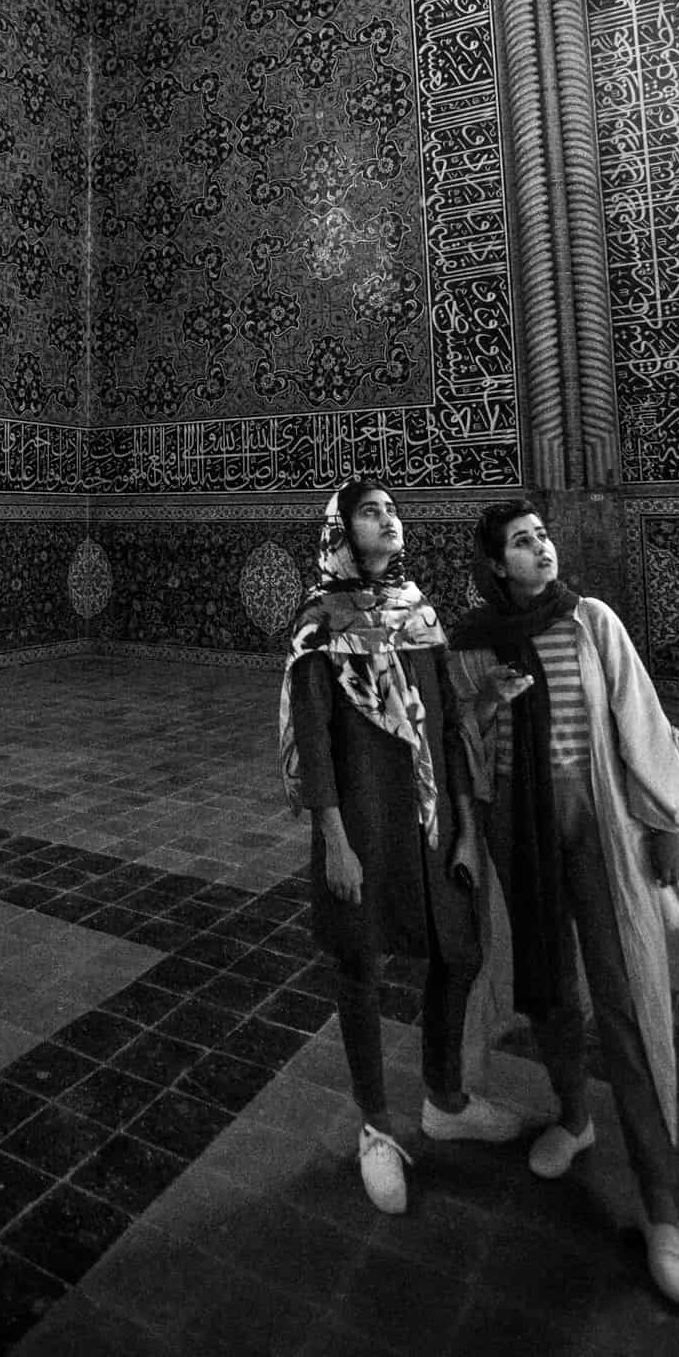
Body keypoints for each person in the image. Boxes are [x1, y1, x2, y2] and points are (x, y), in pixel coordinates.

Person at [448, 498, 679, 1308]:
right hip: (520, 845)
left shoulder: (591, 623)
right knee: (550, 992)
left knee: (628, 1005)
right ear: (497, 565)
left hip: (598, 842)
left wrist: (668, 821)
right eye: (523, 543)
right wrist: (487, 702)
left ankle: (660, 1211)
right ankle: (571, 1116)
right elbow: (459, 745)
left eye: (542, 537)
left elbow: (641, 720)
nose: (541, 549)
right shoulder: (470, 644)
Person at [279, 476, 522, 1216]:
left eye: (391, 510)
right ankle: (376, 1128)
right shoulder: (320, 622)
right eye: (370, 512)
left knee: (459, 951)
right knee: (362, 961)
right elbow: (314, 739)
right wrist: (334, 843)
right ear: (342, 532)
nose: (388, 520)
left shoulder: (418, 615)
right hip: (362, 821)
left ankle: (444, 1098)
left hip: (429, 817)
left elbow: (443, 722)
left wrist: (464, 824)